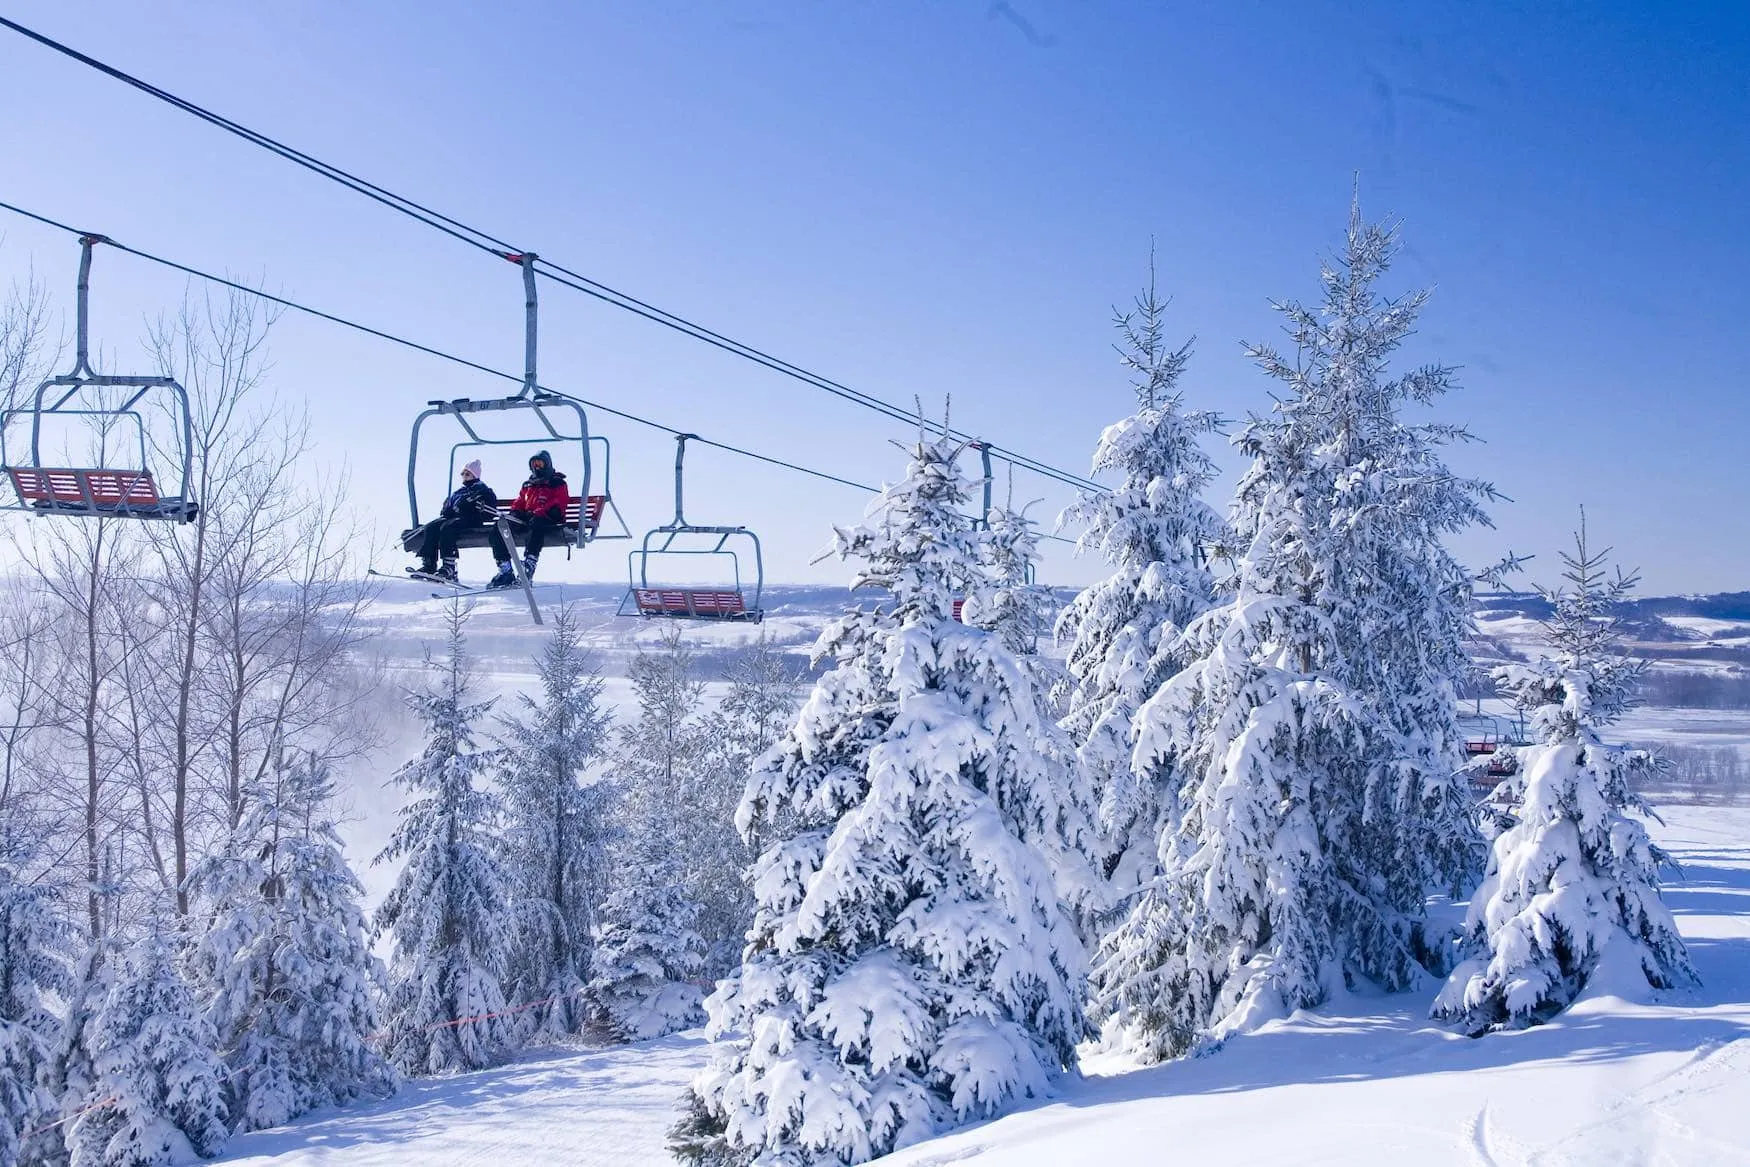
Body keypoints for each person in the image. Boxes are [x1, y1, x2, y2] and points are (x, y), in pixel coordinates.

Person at [487, 449, 570, 588]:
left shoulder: (556, 482)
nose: (537, 467)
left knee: (537, 523)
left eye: (540, 464)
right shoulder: (528, 484)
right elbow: (520, 500)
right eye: (534, 464)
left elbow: (559, 501)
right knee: (499, 527)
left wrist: (542, 510)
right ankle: (505, 569)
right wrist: (514, 512)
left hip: (549, 517)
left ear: (547, 464)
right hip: (527, 516)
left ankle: (529, 564)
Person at [410, 460, 498, 583]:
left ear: (475, 475)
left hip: (471, 520)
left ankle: (449, 566)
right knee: (431, 527)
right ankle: (429, 564)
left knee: (447, 528)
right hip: (455, 518)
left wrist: (471, 509)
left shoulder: (482, 490)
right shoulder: (459, 492)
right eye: (463, 474)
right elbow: (448, 506)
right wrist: (447, 510)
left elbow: (489, 510)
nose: (464, 476)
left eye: (467, 474)